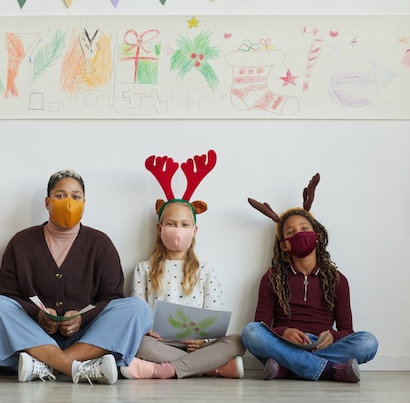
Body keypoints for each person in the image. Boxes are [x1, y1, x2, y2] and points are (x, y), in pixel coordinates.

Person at [0, 170, 153, 385]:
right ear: (47, 202)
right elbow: (8, 295)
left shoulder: (100, 243)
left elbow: (112, 298)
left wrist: (82, 318)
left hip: (86, 338)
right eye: (60, 196)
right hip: (33, 337)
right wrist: (39, 316)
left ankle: (47, 365)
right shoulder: (21, 242)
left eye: (76, 197)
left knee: (138, 308)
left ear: (84, 203)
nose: (68, 202)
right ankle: (78, 368)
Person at [241, 173, 378, 383]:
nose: (299, 234)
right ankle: (329, 370)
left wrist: (332, 336)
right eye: (291, 231)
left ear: (317, 236)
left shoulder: (337, 279)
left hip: (323, 344)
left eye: (304, 229)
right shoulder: (271, 278)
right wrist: (284, 332)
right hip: (284, 343)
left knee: (368, 342)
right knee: (250, 333)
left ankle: (287, 368)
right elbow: (260, 325)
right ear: (284, 245)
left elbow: (346, 330)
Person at [120, 152, 245, 380]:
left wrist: (203, 340)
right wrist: (147, 330)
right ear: (160, 228)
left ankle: (163, 370)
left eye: (185, 224)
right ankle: (211, 368)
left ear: (194, 230)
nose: (178, 230)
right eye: (171, 224)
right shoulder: (143, 269)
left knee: (238, 341)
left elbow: (214, 316)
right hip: (158, 343)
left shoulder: (205, 270)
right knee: (135, 342)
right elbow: (136, 312)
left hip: (196, 346)